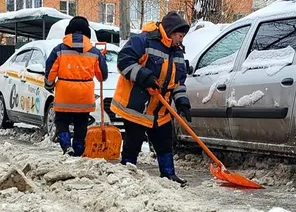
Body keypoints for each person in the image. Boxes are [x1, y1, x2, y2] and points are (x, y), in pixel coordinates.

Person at [111, 12, 192, 186]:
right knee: (134, 141)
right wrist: (143, 75)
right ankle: (126, 173)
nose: (181, 40)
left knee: (165, 141)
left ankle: (169, 175)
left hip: (159, 110)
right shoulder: (144, 41)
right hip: (137, 106)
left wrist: (182, 101)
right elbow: (124, 60)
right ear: (170, 31)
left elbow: (177, 81)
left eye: (183, 37)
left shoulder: (177, 52)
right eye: (180, 35)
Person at [45, 16, 109, 156]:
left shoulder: (59, 49)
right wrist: (102, 60)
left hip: (64, 94)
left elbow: (51, 70)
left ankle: (67, 145)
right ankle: (79, 148)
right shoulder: (94, 52)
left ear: (68, 32)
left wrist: (49, 84)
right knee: (81, 123)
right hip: (84, 96)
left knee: (61, 121)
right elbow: (102, 76)